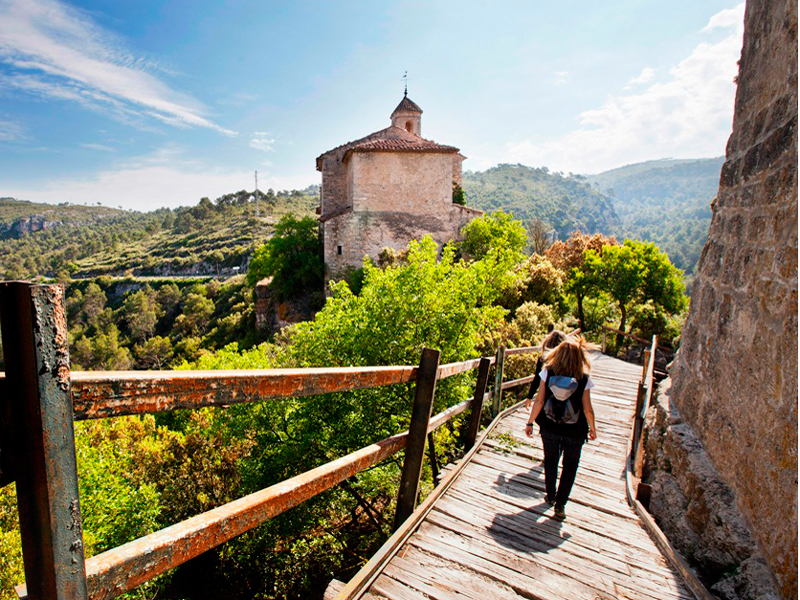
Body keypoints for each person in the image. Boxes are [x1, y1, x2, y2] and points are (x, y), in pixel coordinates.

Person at [524, 336, 597, 521]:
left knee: (551, 460)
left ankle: (550, 494)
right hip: (575, 430)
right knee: (570, 466)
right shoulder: (583, 379)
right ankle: (560, 504)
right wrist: (593, 428)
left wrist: (530, 422)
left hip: (549, 426)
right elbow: (587, 408)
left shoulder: (546, 373)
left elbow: (539, 400)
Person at [524, 329, 568, 410]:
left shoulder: (543, 359)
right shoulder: (568, 360)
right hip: (566, 396)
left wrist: (529, 396)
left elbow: (537, 378)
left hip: (547, 397)